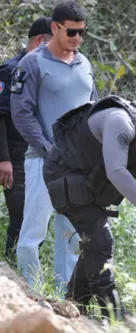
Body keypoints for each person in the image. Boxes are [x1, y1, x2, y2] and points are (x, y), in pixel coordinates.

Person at [43, 95, 136, 319]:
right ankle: (114, 313)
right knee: (101, 240)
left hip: (93, 182)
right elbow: (116, 171)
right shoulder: (119, 122)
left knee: (94, 240)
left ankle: (75, 302)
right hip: (64, 172)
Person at [10, 1, 97, 292]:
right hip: (43, 161)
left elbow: (92, 111)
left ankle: (64, 300)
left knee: (70, 238)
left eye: (82, 32)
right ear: (54, 28)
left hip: (79, 166)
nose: (76, 38)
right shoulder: (31, 63)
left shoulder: (85, 64)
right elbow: (21, 112)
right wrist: (48, 149)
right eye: (71, 31)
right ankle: (32, 296)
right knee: (32, 236)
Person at [0, 17, 52, 266]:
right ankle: (10, 272)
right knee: (21, 216)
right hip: (15, 154)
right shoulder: (11, 70)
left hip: (39, 153)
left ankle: (23, 273)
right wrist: (4, 159)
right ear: (41, 40)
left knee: (36, 219)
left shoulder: (46, 70)